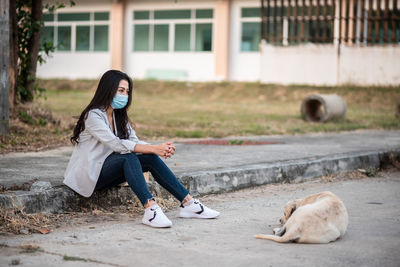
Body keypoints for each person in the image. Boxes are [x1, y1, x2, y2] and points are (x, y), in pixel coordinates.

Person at [63, 70, 219, 228]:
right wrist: (153, 148)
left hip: (107, 169)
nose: (124, 95)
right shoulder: (93, 116)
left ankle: (188, 203)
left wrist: (159, 149)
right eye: (121, 90)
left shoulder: (118, 116)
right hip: (89, 175)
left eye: (127, 92)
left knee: (149, 158)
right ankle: (150, 209)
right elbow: (116, 144)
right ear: (108, 89)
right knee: (129, 157)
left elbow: (134, 142)